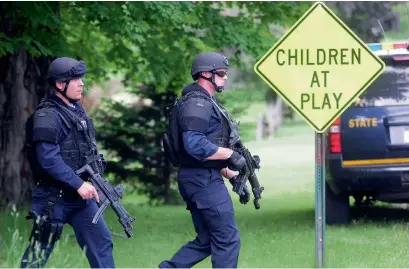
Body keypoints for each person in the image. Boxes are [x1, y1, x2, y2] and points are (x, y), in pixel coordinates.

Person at [20, 57, 115, 268]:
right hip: (53, 198)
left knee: (102, 244)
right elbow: (49, 159)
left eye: (82, 78)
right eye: (76, 79)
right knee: (39, 252)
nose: (82, 83)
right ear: (60, 84)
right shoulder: (47, 116)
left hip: (81, 199)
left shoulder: (76, 111)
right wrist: (80, 184)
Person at [159, 52, 250, 268]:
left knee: (209, 240)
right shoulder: (197, 103)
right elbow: (194, 145)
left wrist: (231, 174)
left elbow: (203, 155)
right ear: (205, 74)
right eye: (221, 73)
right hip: (202, 182)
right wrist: (230, 155)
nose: (225, 77)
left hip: (199, 177)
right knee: (227, 239)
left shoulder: (204, 101)